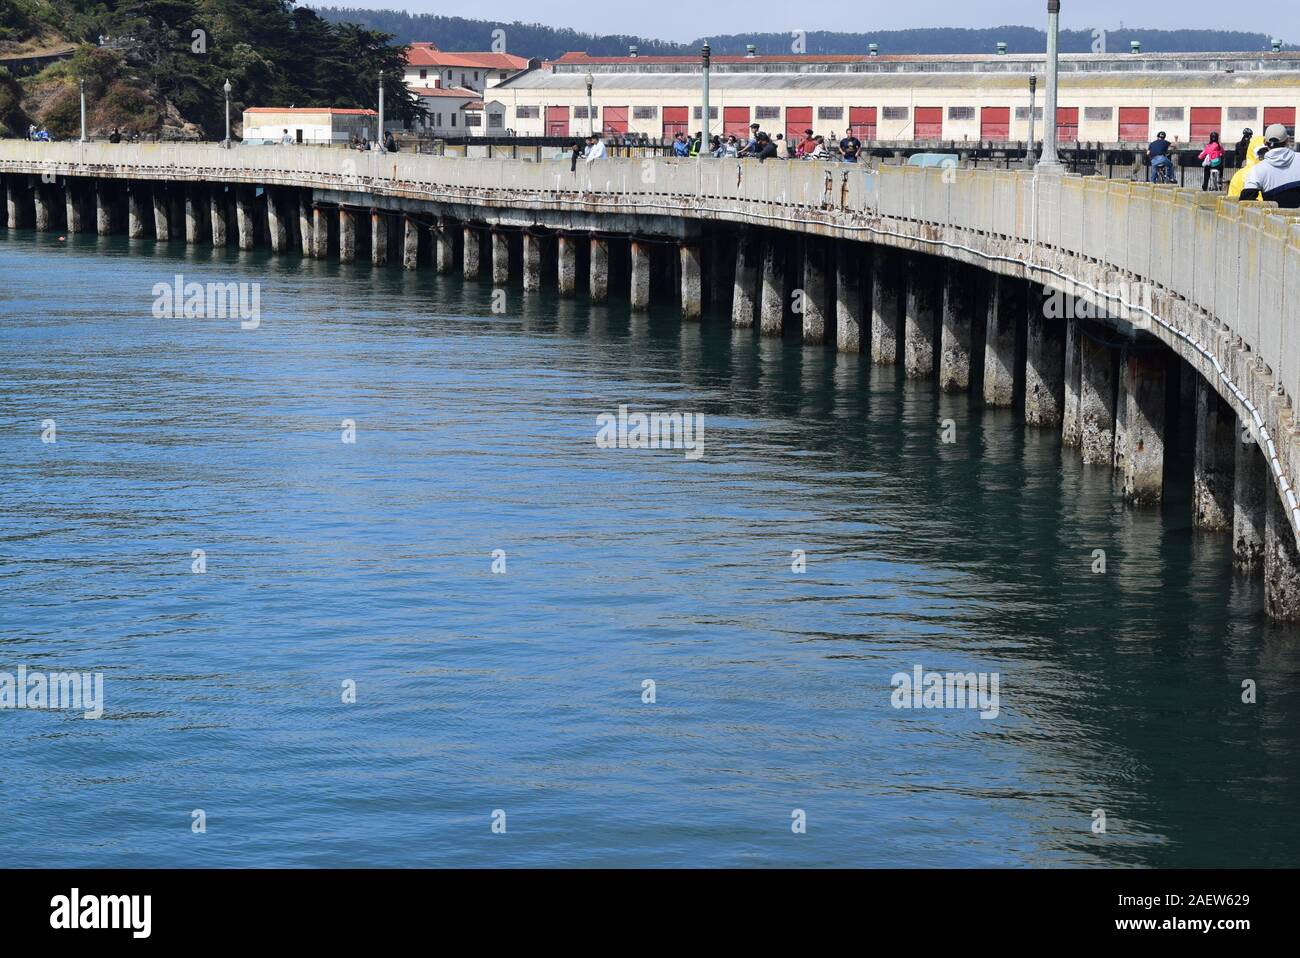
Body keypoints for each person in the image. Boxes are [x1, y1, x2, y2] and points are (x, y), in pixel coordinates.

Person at [1240, 123, 1300, 208]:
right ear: (1287, 141)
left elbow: (1245, 201)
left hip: (1274, 219)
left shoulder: (1257, 170)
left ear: (1265, 142)